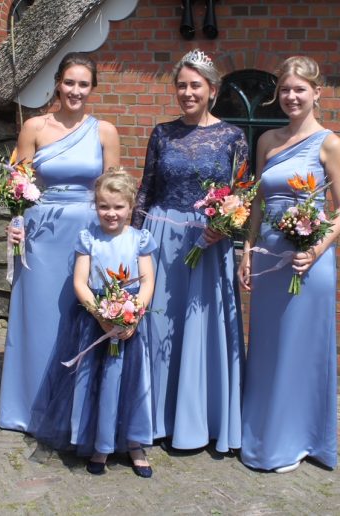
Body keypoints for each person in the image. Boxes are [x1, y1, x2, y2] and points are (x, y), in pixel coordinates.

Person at [132, 49, 248, 453]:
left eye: (195, 85)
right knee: (159, 326)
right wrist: (132, 241)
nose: (187, 93)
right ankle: (155, 418)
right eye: (181, 85)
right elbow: (146, 189)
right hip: (162, 239)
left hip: (210, 244)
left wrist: (227, 226)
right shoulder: (162, 133)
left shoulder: (233, 136)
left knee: (202, 329)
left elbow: (242, 194)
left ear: (212, 89)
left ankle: (202, 420)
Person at [0, 52, 120, 432]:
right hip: (41, 236)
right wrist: (15, 223)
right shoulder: (34, 127)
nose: (75, 91)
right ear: (58, 84)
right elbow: (18, 188)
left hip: (87, 236)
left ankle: (74, 411)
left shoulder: (105, 132)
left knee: (80, 315)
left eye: (83, 84)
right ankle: (27, 407)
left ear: (92, 88)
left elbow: (114, 191)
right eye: (69, 82)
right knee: (38, 316)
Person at [238, 56, 340, 473]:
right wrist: (247, 249)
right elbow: (257, 203)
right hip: (269, 261)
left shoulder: (329, 143)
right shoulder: (267, 140)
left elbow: (339, 211)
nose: (291, 97)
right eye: (284, 90)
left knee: (301, 349)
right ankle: (266, 433)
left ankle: (300, 439)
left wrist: (315, 250)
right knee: (268, 349)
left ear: (317, 93)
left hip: (307, 263)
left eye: (299, 89)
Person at [27, 170, 156, 477]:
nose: (111, 213)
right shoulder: (88, 238)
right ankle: (99, 443)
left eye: (118, 207)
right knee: (94, 381)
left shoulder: (140, 239)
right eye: (103, 206)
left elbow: (148, 281)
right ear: (95, 206)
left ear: (130, 206)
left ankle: (134, 443)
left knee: (129, 382)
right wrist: (101, 315)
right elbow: (80, 282)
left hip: (129, 323)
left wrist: (132, 315)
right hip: (94, 322)